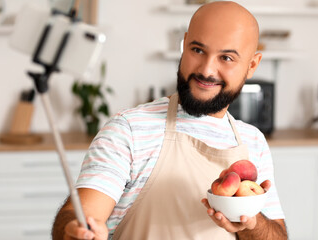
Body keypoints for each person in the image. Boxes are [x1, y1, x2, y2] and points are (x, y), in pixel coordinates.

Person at [52, 1, 288, 239]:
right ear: (184, 45)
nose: (206, 70)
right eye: (197, 50)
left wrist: (251, 221)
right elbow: (80, 216)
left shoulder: (253, 142)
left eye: (226, 57)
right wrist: (75, 231)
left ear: (252, 65)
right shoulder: (130, 130)